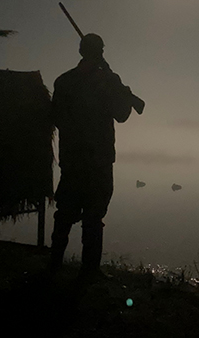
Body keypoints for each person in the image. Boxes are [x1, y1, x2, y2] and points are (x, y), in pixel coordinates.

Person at [49, 33, 136, 279]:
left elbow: (56, 118)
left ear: (80, 51)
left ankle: (55, 264)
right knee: (94, 217)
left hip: (73, 158)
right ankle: (89, 271)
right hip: (99, 159)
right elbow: (121, 115)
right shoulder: (108, 80)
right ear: (100, 52)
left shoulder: (64, 81)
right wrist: (123, 94)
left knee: (65, 213)